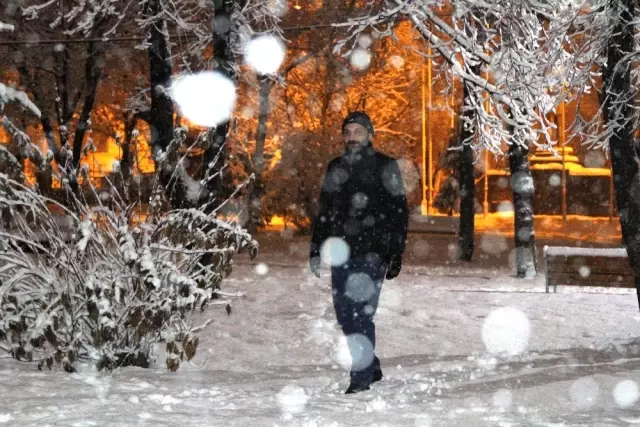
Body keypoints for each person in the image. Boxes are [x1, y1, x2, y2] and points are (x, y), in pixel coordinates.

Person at [309, 111, 409, 394]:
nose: (351, 137)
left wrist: (396, 253)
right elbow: (325, 211)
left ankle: (361, 376)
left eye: (357, 131)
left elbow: (398, 213)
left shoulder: (385, 166)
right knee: (345, 316)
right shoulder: (335, 167)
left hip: (374, 254)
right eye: (347, 132)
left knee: (361, 315)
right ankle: (371, 366)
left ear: (370, 134)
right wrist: (316, 248)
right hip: (341, 253)